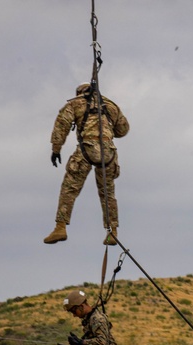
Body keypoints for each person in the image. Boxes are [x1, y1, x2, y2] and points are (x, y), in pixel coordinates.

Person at [44, 83, 130, 246]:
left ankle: (60, 228)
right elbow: (123, 129)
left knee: (69, 189)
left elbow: (61, 126)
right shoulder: (110, 106)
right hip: (109, 152)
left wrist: (56, 149)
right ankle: (113, 232)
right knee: (108, 193)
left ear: (79, 93)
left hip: (86, 149)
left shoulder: (75, 104)